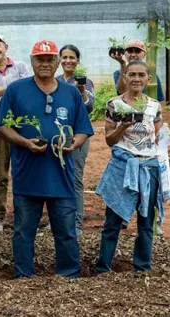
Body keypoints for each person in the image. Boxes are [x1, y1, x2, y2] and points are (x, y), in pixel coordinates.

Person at [0, 40, 93, 279]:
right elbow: (2, 125)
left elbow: (82, 128)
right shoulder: (16, 90)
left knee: (66, 231)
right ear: (32, 61)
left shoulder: (70, 92)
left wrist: (73, 144)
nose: (45, 63)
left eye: (50, 59)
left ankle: (68, 274)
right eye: (40, 59)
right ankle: (23, 275)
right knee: (23, 230)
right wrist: (24, 143)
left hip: (61, 174)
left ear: (57, 62)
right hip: (28, 172)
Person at [95, 61, 164, 274]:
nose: (136, 78)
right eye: (131, 74)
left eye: (141, 74)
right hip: (123, 166)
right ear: (124, 77)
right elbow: (109, 140)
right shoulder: (114, 105)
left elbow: (158, 136)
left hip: (149, 167)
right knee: (113, 220)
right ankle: (103, 268)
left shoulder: (154, 105)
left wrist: (167, 136)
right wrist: (122, 126)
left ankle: (142, 267)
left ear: (148, 79)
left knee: (146, 221)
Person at [0, 33, 31, 232]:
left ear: (6, 47)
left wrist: (5, 91)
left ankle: (24, 216)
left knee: (23, 173)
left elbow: (29, 92)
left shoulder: (20, 67)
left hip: (21, 128)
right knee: (0, 175)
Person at [57, 44, 95, 237]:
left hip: (77, 135)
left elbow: (89, 107)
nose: (68, 61)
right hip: (57, 135)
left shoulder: (84, 82)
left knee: (75, 177)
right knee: (57, 177)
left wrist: (81, 92)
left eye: (72, 57)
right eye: (64, 57)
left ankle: (77, 221)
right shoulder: (55, 81)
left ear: (77, 60)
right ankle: (60, 219)